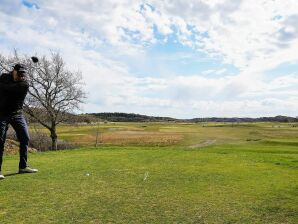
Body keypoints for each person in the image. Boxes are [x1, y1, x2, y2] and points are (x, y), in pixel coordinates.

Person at [0, 64, 38, 180]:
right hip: (1, 114)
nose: (21, 76)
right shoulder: (4, 77)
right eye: (19, 73)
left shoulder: (24, 84)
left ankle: (23, 166)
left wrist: (2, 86)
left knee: (25, 137)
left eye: (23, 74)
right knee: (0, 140)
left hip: (17, 114)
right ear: (13, 71)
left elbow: (8, 89)